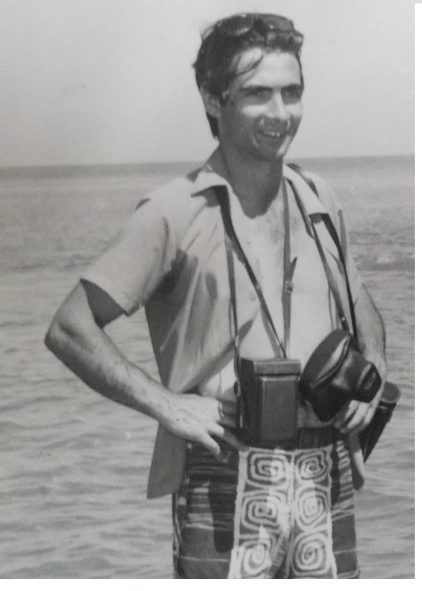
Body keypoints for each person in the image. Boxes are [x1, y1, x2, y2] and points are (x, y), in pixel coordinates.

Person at [45, 12, 387, 579]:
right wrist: (168, 405)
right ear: (212, 98)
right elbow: (69, 328)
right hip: (224, 468)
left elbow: (361, 301)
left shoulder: (317, 198)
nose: (280, 113)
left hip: (325, 470)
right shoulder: (173, 211)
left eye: (292, 92)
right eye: (257, 94)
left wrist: (372, 368)